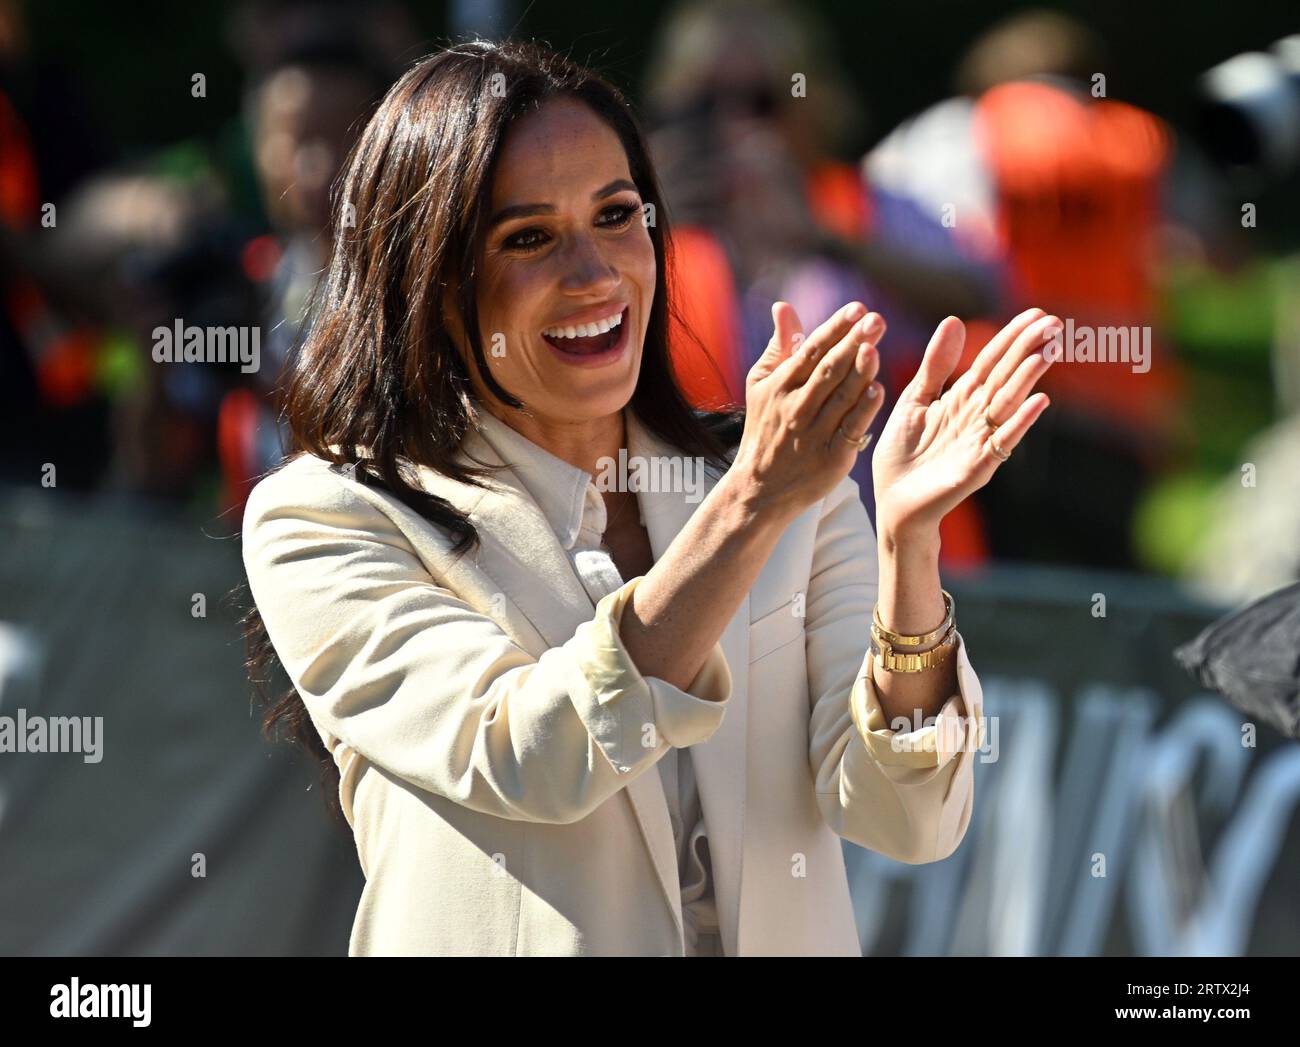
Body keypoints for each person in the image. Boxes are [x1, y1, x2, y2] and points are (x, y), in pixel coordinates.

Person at [240, 40, 1057, 956]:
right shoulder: (324, 514)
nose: (594, 273)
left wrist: (911, 548)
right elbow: (529, 754)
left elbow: (908, 818)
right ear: (427, 277)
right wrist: (750, 503)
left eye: (617, 214)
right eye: (528, 237)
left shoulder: (787, 487)